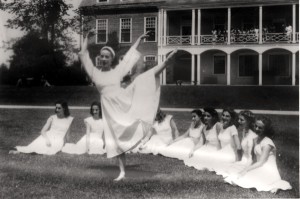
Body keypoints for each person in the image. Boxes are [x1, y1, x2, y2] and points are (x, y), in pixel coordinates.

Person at [79, 29, 178, 181]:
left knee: (142, 79)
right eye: (102, 56)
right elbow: (83, 54)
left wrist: (139, 39)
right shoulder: (94, 72)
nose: (104, 59)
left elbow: (130, 56)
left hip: (123, 101)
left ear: (112, 59)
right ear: (99, 58)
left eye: (107, 57)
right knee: (115, 139)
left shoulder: (118, 71)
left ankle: (165, 62)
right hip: (109, 109)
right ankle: (122, 172)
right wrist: (86, 37)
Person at [224, 115, 292, 193]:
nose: (256, 129)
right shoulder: (256, 139)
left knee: (246, 179)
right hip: (260, 167)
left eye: (260, 128)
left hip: (268, 170)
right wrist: (246, 169)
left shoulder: (267, 143)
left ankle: (275, 184)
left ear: (266, 129)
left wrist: (246, 170)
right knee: (237, 176)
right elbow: (255, 159)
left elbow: (261, 162)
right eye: (256, 126)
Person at [9, 101, 73, 155]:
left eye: (59, 108)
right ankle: (19, 151)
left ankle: (20, 152)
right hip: (48, 136)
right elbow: (43, 131)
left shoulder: (69, 119)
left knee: (49, 150)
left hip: (58, 139)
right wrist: (47, 139)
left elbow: (68, 134)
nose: (57, 110)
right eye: (56, 108)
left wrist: (66, 145)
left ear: (64, 108)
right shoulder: (52, 118)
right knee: (35, 146)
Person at [216, 110, 257, 177]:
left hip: (249, 162)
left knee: (232, 174)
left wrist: (245, 168)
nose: (239, 121)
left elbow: (252, 157)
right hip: (243, 160)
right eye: (238, 119)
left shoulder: (253, 135)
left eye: (241, 120)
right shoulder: (244, 131)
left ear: (249, 121)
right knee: (226, 171)